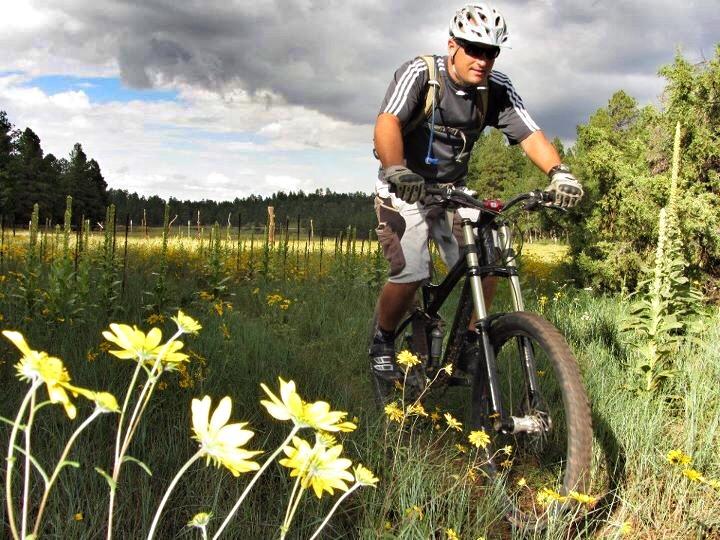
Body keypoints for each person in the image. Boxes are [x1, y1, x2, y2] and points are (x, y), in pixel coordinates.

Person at [369, 2, 583, 387]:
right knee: (412, 270)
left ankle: (470, 342)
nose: (483, 59)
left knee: (490, 260)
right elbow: (388, 122)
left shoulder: (496, 88)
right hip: (403, 186)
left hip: (452, 192)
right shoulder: (422, 74)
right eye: (474, 48)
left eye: (492, 51)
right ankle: (382, 341)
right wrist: (397, 169)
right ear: (453, 44)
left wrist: (559, 173)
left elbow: (529, 134)